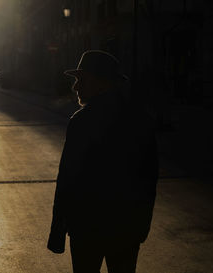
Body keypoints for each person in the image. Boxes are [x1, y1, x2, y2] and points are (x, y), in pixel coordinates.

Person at [47, 50, 158, 273]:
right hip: (126, 228)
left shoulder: (81, 122)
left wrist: (57, 231)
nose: (75, 87)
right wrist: (141, 225)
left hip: (86, 228)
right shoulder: (141, 119)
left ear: (102, 83)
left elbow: (67, 180)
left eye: (81, 79)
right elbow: (149, 177)